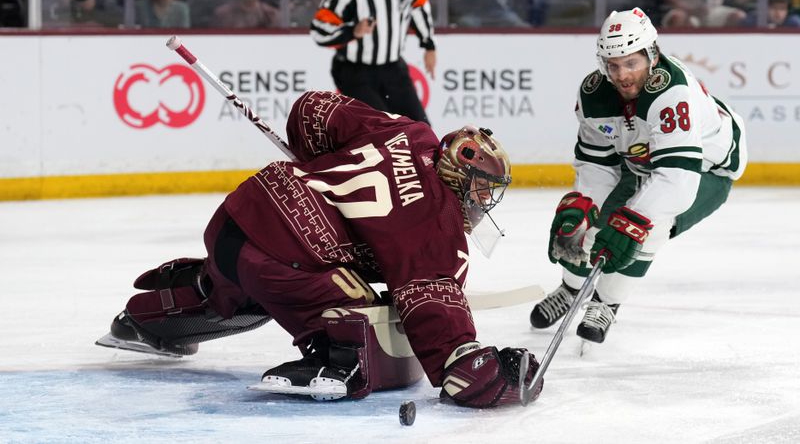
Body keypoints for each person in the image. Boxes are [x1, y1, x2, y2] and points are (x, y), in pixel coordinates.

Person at [97, 91, 542, 408]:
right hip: (280, 252)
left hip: (243, 211)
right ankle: (338, 359)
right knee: (355, 309)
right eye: (481, 190)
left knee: (239, 290)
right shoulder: (437, 223)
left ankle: (142, 318)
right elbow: (429, 301)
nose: (483, 201)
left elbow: (313, 110)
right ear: (458, 178)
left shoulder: (411, 132)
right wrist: (474, 370)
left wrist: (315, 166)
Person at [529, 7, 747, 345]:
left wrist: (634, 221)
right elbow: (597, 165)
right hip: (642, 163)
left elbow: (677, 179)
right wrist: (585, 204)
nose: (622, 75)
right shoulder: (594, 94)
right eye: (613, 65)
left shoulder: (672, 93)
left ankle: (606, 303)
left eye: (631, 63)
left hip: (707, 169)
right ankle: (571, 289)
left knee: (648, 228)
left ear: (652, 55)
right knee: (590, 225)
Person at [310, 0, 435, 124]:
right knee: (382, 128)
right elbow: (319, 29)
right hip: (354, 71)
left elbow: (419, 6)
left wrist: (429, 45)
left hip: (393, 68)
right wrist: (352, 31)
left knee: (421, 129)